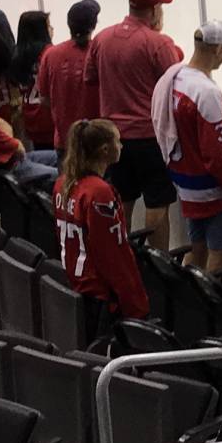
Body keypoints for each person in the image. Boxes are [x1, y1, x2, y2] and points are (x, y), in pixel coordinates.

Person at [85, 0, 184, 247]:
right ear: (153, 10)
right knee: (157, 201)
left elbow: (90, 78)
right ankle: (159, 261)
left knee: (121, 199)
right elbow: (177, 84)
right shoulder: (158, 43)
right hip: (149, 136)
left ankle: (119, 253)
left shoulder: (102, 38)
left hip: (113, 135)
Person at [150, 19, 222, 283]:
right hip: (216, 193)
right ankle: (214, 317)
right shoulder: (206, 93)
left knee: (198, 249)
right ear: (216, 50)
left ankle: (188, 305)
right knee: (220, 263)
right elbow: (218, 152)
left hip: (187, 186)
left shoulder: (175, 78)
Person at [54, 118, 148, 322]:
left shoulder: (62, 184)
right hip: (97, 295)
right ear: (105, 150)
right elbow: (113, 253)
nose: (121, 146)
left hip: (73, 284)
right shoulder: (99, 193)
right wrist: (136, 304)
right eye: (118, 141)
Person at [35, 0, 98, 154]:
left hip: (66, 140)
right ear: (93, 25)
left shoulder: (51, 55)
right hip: (98, 139)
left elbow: (44, 99)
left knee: (67, 178)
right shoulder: (99, 51)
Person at [11, 9, 54, 146]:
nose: (52, 28)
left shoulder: (17, 56)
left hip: (30, 116)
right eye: (48, 26)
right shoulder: (50, 54)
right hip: (49, 117)